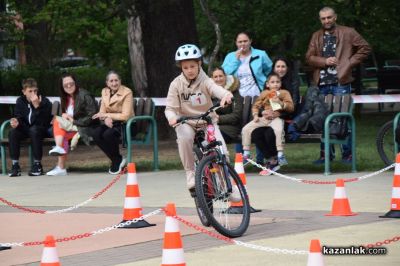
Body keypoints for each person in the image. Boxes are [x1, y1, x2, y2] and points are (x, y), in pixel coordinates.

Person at [305, 6, 371, 164]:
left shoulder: (348, 32)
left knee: (342, 119)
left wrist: (349, 63)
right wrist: (324, 61)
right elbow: (309, 57)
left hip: (340, 82)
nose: (326, 21)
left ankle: (347, 155)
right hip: (321, 83)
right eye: (323, 18)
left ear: (335, 17)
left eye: (329, 17)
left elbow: (365, 48)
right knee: (321, 118)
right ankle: (326, 155)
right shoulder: (316, 36)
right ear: (320, 20)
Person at [165, 44, 233, 194]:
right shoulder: (175, 84)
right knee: (184, 137)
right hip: (186, 122)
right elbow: (170, 108)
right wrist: (172, 117)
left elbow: (217, 89)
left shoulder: (205, 80)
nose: (189, 70)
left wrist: (226, 95)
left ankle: (227, 186)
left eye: (192, 66)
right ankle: (190, 173)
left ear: (199, 64)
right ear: (181, 68)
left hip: (206, 121)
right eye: (186, 67)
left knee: (222, 151)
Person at [222, 31, 273, 163]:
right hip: (239, 97)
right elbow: (223, 75)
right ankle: (242, 159)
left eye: (245, 41)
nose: (243, 44)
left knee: (256, 125)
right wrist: (235, 60)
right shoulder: (230, 57)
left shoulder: (260, 55)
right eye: (240, 42)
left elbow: (269, 70)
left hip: (257, 96)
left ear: (250, 41)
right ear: (236, 43)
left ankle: (261, 159)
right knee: (241, 126)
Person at [46, 73, 98, 176]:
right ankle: (61, 166)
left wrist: (72, 120)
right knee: (61, 131)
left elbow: (92, 116)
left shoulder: (84, 95)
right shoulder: (66, 98)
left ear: (76, 83)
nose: (69, 86)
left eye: (71, 83)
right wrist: (64, 116)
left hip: (84, 126)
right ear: (62, 87)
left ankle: (60, 159)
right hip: (71, 128)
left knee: (58, 123)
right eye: (66, 85)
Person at [241, 73, 294, 168]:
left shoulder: (284, 93)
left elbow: (290, 107)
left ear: (281, 83)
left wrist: (280, 103)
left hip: (276, 118)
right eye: (272, 82)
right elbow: (256, 105)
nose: (275, 84)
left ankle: (280, 154)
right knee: (246, 129)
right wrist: (256, 115)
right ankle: (246, 152)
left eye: (277, 82)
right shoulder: (264, 93)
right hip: (264, 118)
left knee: (278, 130)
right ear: (267, 84)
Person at [8, 78, 52, 177]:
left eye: (35, 90)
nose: (33, 93)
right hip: (25, 129)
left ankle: (37, 164)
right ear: (24, 92)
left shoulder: (44, 101)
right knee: (13, 132)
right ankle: (15, 165)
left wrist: (37, 107)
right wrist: (16, 122)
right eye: (30, 91)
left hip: (41, 129)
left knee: (34, 130)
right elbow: (18, 116)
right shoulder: (20, 101)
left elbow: (45, 121)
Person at [91, 71, 133, 174]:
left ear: (120, 81)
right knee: (95, 133)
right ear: (107, 83)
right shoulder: (104, 91)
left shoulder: (127, 92)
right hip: (112, 123)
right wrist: (105, 119)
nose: (114, 83)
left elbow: (125, 115)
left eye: (116, 80)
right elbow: (102, 112)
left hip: (127, 124)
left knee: (108, 134)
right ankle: (117, 159)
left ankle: (116, 161)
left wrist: (107, 116)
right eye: (111, 81)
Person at [211, 67, 243, 143]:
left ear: (225, 76)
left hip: (230, 128)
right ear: (212, 79)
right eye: (215, 77)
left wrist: (218, 118)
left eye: (220, 76)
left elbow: (236, 116)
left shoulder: (234, 92)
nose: (218, 79)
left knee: (212, 135)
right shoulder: (210, 93)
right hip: (213, 125)